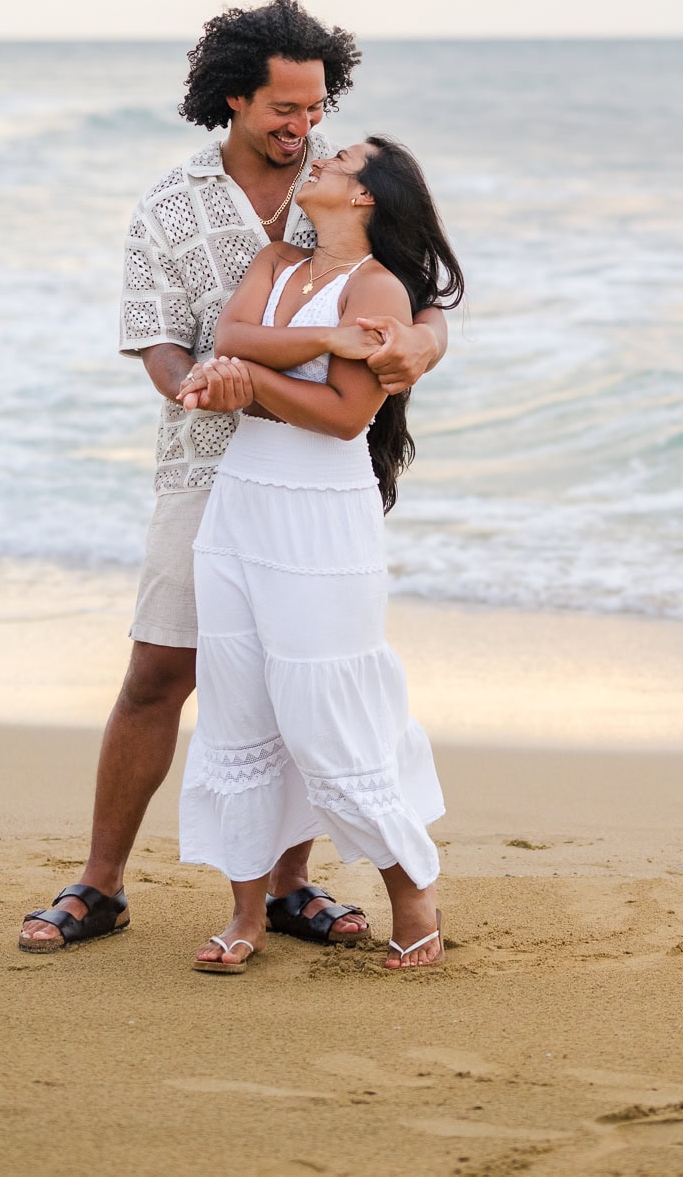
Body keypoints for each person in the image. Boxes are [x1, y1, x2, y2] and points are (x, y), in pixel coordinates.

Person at [19, 0, 448, 955]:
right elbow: (161, 347)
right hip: (203, 466)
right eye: (284, 109)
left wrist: (421, 343)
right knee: (161, 669)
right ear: (234, 99)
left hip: (315, 473)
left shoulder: (338, 189)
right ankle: (100, 883)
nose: (304, 128)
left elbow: (415, 287)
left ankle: (289, 887)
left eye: (316, 106)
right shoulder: (171, 209)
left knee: (292, 677)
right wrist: (208, 389)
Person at [174, 133, 463, 973]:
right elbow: (225, 332)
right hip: (239, 505)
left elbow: (344, 417)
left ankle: (414, 896)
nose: (322, 159)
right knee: (238, 705)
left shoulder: (380, 288)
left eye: (340, 161)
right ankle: (246, 912)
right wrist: (325, 342)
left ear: (367, 195)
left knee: (327, 712)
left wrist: (257, 378)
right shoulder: (275, 259)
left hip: (321, 521)